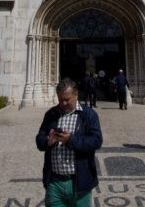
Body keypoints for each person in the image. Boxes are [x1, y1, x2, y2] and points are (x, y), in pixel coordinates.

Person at [36, 78, 103, 207]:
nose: (63, 103)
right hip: (54, 182)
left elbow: (96, 141)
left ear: (76, 95)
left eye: (67, 99)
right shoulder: (51, 114)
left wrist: (70, 140)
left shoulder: (88, 115)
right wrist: (48, 141)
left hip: (79, 183)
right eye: (60, 99)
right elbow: (39, 139)